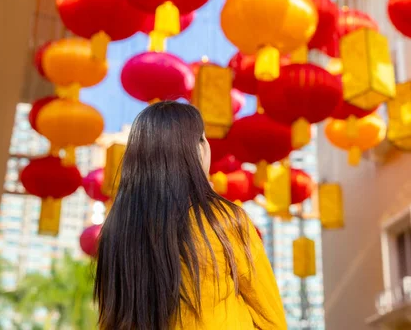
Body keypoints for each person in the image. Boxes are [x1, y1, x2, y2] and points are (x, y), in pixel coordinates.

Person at [95, 101, 287, 330]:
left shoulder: (116, 234)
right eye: (203, 138)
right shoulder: (222, 221)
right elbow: (271, 319)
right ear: (198, 148)